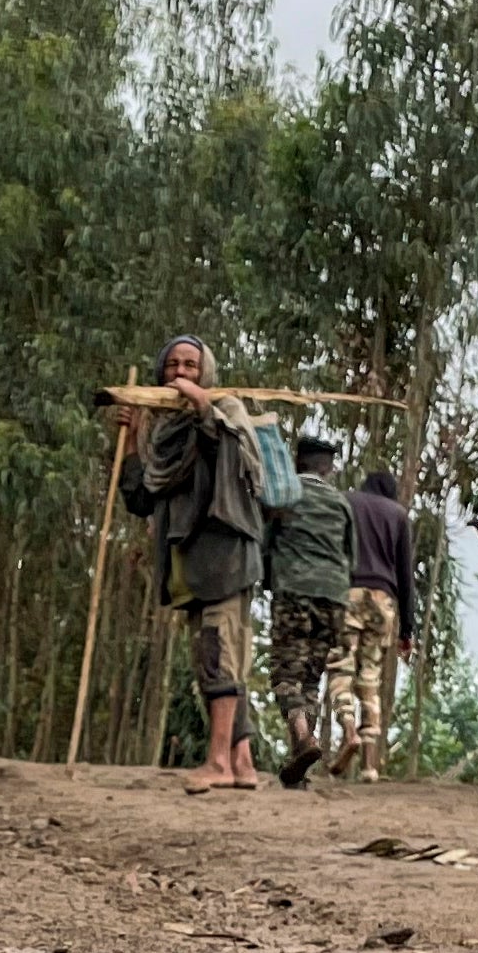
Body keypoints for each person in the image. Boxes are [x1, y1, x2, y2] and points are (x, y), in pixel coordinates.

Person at [118, 335, 268, 794]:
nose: (181, 373)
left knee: (219, 655)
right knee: (213, 658)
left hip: (223, 557)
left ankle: (219, 761)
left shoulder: (228, 413)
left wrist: (205, 409)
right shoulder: (162, 432)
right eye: (172, 366)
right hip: (187, 564)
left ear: (206, 372)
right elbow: (142, 497)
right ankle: (242, 763)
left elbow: (233, 458)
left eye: (191, 365)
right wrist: (126, 440)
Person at [263, 435, 356, 788]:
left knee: (286, 671)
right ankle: (299, 766)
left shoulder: (284, 496)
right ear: (329, 468)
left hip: (295, 590)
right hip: (334, 597)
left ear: (296, 463)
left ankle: (303, 736)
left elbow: (265, 545)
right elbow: (353, 558)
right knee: (312, 678)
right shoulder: (342, 504)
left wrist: (271, 581)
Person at [328, 471, 415, 781]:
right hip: (383, 600)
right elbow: (406, 577)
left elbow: (333, 553)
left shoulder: (345, 502)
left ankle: (348, 730)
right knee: (370, 675)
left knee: (341, 667)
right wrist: (407, 630)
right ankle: (369, 765)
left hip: (347, 593)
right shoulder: (398, 514)